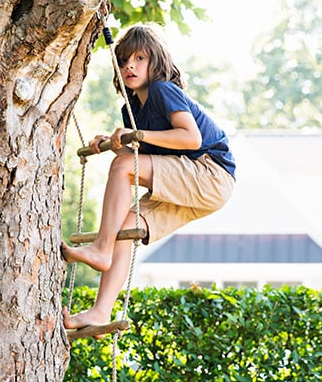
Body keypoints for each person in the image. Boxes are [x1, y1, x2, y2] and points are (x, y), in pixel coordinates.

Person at [62, 23, 236, 331]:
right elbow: (140, 160)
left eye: (139, 58)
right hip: (191, 182)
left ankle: (101, 248)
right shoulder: (131, 109)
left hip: (210, 172)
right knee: (126, 225)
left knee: (123, 168)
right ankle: (100, 311)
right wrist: (111, 143)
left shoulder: (162, 90)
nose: (130, 65)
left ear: (156, 62)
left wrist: (133, 138)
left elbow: (191, 138)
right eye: (124, 60)